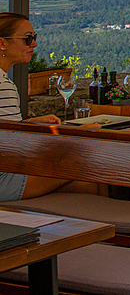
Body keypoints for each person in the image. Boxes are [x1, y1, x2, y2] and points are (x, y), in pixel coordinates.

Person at [0, 13, 100, 203]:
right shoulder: (2, 86)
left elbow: (5, 132)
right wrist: (73, 135)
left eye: (33, 38)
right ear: (2, 43)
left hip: (8, 170)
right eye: (27, 38)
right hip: (5, 179)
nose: (34, 44)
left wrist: (28, 123)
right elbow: (12, 148)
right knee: (87, 161)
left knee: (84, 185)